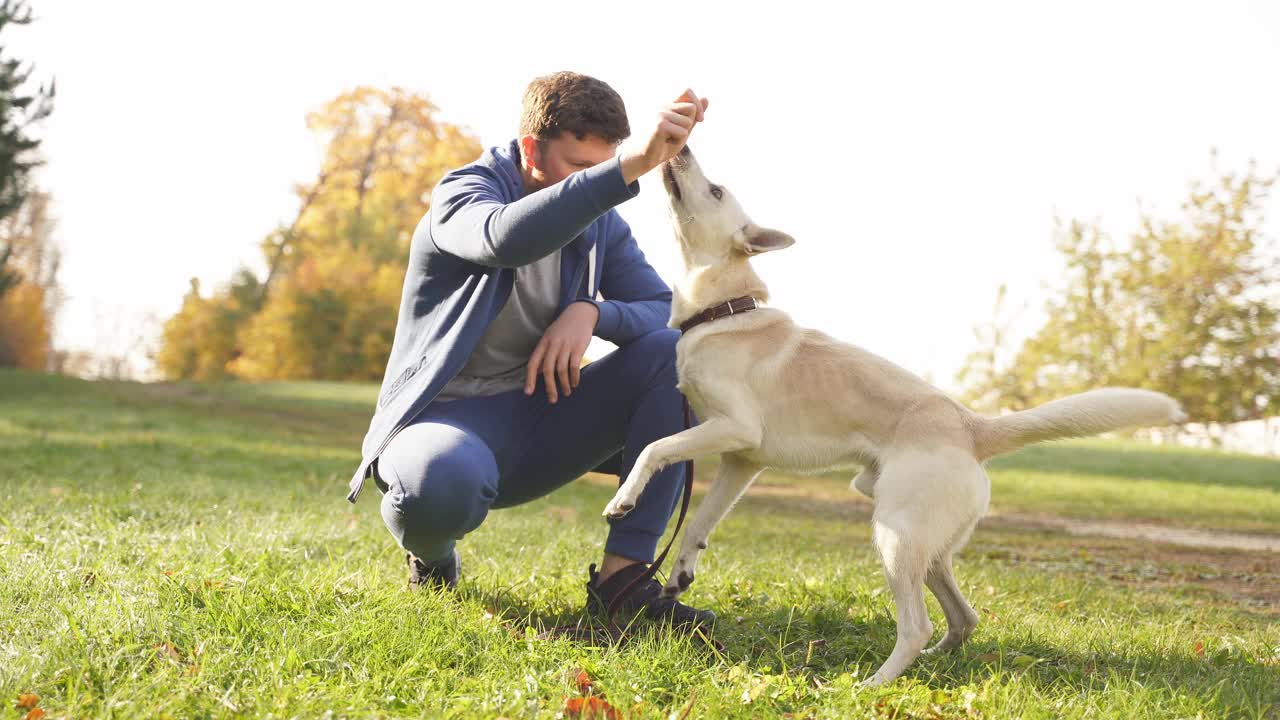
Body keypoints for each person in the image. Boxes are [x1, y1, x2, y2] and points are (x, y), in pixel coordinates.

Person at [346, 71, 714, 627]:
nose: (593, 186)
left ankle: (624, 584)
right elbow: (502, 239)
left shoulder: (600, 227)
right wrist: (628, 168)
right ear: (529, 149)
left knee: (674, 354)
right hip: (446, 426)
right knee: (435, 486)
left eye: (601, 167)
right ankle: (434, 557)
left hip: (540, 421)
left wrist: (592, 311)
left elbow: (664, 311)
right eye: (577, 167)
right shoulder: (462, 195)